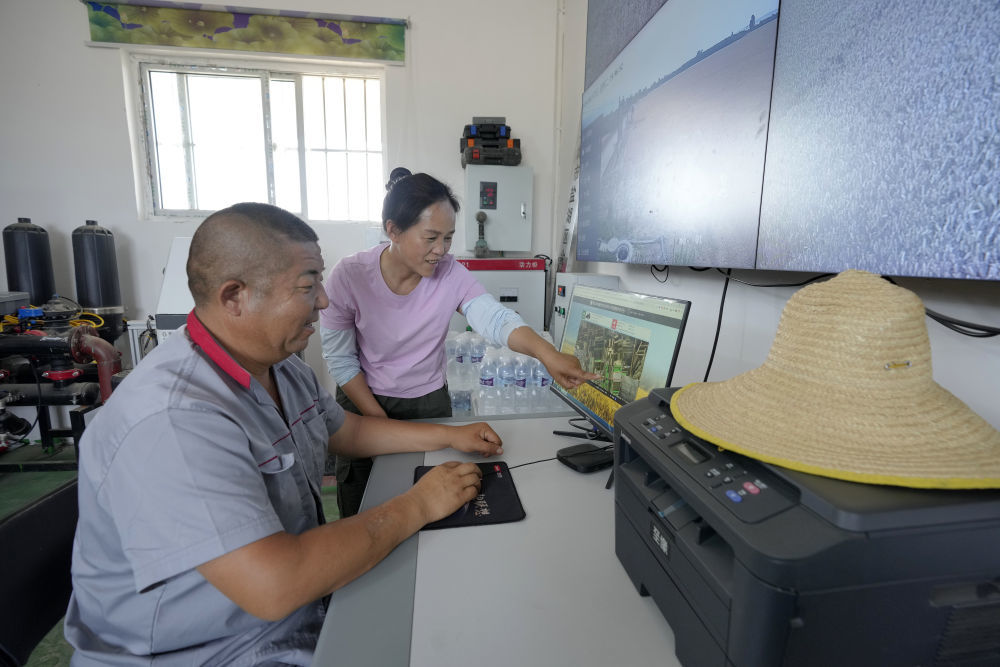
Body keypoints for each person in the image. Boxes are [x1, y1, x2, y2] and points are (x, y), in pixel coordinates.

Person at [63, 203, 503, 665]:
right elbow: (274, 585)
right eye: (307, 286)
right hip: (213, 650)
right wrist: (419, 504)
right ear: (235, 296)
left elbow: (346, 430)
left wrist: (448, 435)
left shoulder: (280, 368)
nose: (324, 301)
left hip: (291, 614)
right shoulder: (174, 419)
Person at [320, 167, 598, 517]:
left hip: (426, 401)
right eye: (431, 237)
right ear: (393, 230)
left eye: (448, 238)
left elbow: (495, 318)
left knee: (437, 503)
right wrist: (380, 422)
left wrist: (548, 354)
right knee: (364, 505)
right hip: (363, 399)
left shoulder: (450, 273)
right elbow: (341, 359)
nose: (441, 250)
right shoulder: (349, 276)